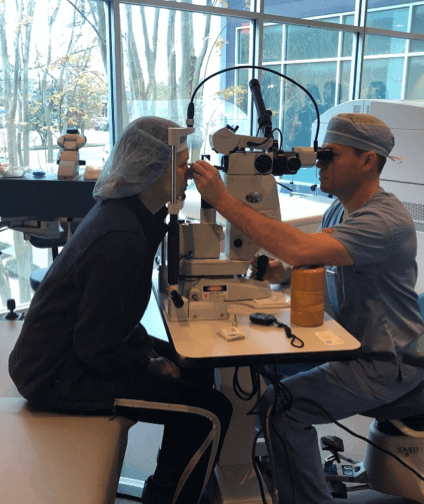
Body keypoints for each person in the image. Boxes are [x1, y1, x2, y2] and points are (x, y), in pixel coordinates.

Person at [190, 113, 424, 504]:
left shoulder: (384, 219)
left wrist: (223, 200)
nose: (321, 162)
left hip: (386, 362)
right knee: (261, 371)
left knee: (279, 407)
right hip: (349, 345)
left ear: (368, 160)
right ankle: (285, 466)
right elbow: (309, 260)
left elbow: (300, 248)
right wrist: (275, 270)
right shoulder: (339, 211)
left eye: (330, 154)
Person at [9, 116, 232, 504]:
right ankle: (170, 498)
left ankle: (167, 482)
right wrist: (148, 363)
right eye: (182, 166)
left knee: (197, 366)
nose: (190, 174)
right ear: (151, 169)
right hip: (57, 376)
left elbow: (112, 319)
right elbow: (95, 346)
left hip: (69, 356)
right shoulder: (122, 237)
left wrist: (151, 355)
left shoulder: (130, 215)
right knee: (211, 412)